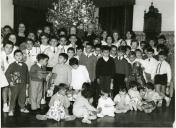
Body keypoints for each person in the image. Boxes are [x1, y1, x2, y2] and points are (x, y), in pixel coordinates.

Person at [5, 50, 30, 116]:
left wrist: (27, 83)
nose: (19, 56)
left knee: (22, 96)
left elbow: (27, 74)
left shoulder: (25, 65)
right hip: (15, 84)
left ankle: (22, 107)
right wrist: (10, 81)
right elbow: (7, 73)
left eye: (20, 55)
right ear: (14, 56)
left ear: (22, 56)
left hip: (23, 84)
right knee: (14, 97)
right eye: (17, 55)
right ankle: (11, 110)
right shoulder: (12, 65)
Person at [1, 41, 15, 112]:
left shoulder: (12, 57)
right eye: (7, 47)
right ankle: (4, 104)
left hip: (10, 75)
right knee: (5, 88)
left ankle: (10, 103)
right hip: (2, 75)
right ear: (3, 48)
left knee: (11, 89)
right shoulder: (1, 54)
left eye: (11, 48)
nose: (9, 49)